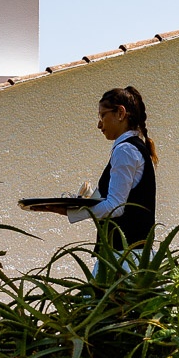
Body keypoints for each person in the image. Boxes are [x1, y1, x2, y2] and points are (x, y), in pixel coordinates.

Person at [44, 86, 158, 255]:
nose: (99, 124)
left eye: (103, 115)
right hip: (131, 254)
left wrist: (71, 211)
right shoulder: (133, 147)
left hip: (123, 257)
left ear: (120, 113)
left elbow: (115, 207)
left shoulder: (125, 150)